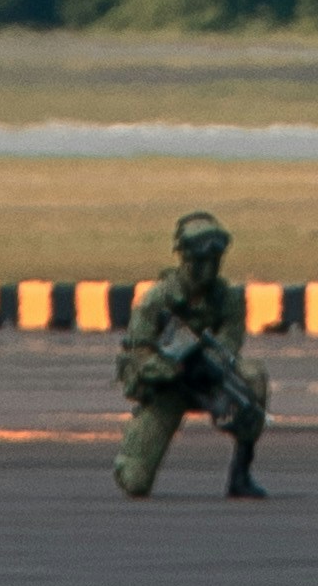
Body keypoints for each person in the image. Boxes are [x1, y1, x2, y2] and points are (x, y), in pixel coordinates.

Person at [113, 211, 270, 500]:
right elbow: (138, 354)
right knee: (134, 482)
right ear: (184, 258)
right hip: (167, 388)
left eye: (214, 260)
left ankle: (241, 475)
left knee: (253, 380)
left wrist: (210, 364)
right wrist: (173, 367)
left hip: (209, 383)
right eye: (201, 261)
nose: (208, 269)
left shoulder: (227, 299)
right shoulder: (157, 301)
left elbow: (230, 342)